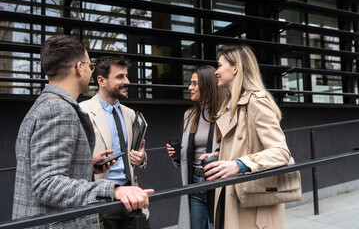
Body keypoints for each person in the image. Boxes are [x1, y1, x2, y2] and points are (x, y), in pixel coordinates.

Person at [12, 35, 153, 229]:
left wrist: (86, 164)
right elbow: (46, 185)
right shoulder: (58, 109)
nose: (91, 71)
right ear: (79, 68)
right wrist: (113, 190)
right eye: (90, 66)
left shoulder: (46, 105)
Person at [200, 45, 291, 229]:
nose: (216, 72)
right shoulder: (232, 106)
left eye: (219, 65)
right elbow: (245, 147)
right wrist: (223, 156)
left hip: (253, 205)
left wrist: (238, 164)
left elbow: (282, 152)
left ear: (235, 68)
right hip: (234, 198)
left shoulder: (256, 101)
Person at [79, 56, 150, 229]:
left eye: (126, 76)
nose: (127, 81)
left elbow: (137, 154)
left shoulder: (130, 113)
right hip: (102, 200)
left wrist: (140, 158)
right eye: (120, 77)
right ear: (101, 81)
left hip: (131, 195)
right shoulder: (82, 111)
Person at [166, 65, 226, 229]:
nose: (189, 88)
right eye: (190, 83)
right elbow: (189, 153)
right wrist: (177, 155)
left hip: (219, 183)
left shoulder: (226, 113)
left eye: (194, 84)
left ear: (207, 85)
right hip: (195, 183)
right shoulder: (189, 115)